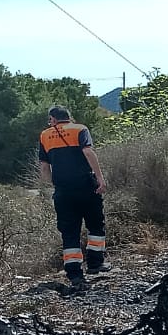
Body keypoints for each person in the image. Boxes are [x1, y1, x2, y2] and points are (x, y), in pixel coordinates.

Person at [37, 104, 108, 289]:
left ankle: (74, 273)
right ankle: (95, 263)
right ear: (69, 117)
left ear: (53, 119)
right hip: (86, 186)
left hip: (63, 191)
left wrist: (53, 184)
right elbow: (88, 152)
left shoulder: (45, 135)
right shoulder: (80, 129)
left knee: (69, 232)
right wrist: (100, 178)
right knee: (95, 225)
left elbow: (44, 167)